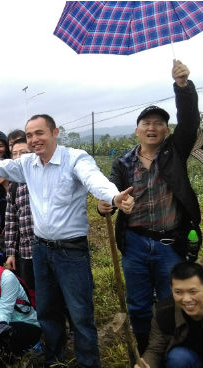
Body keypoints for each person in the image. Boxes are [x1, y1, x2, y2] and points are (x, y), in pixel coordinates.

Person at [0, 114, 135, 367]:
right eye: (29, 135)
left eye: (39, 133)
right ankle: (54, 359)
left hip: (71, 251)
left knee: (80, 313)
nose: (34, 139)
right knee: (46, 310)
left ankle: (88, 362)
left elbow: (94, 180)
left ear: (55, 132)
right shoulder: (27, 164)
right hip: (40, 248)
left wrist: (114, 195)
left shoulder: (75, 158)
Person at [98, 60, 201, 354]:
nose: (152, 128)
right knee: (139, 304)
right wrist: (108, 204)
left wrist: (182, 87)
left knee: (174, 302)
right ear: (137, 131)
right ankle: (146, 352)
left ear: (167, 131)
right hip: (136, 243)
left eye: (159, 123)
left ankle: (174, 352)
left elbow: (191, 121)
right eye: (147, 123)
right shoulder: (123, 163)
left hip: (170, 242)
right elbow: (109, 191)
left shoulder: (175, 152)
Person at [135, 261, 203, 368]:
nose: (186, 299)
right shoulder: (163, 312)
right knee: (178, 358)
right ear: (171, 289)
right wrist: (146, 365)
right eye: (178, 292)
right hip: (189, 361)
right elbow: (155, 350)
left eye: (193, 291)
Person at [4, 138, 35, 289]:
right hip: (26, 251)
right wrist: (10, 253)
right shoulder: (14, 185)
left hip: (51, 250)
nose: (18, 157)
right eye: (14, 154)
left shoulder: (43, 178)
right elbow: (11, 221)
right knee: (31, 292)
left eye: (23, 153)